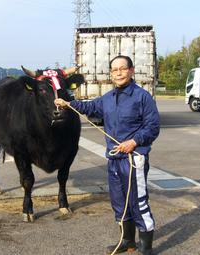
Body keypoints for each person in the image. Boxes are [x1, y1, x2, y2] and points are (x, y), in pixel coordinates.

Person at [54, 55, 160, 255]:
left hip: (133, 159)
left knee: (138, 202)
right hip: (113, 158)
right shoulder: (108, 98)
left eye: (122, 68)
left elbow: (153, 126)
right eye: (114, 70)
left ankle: (146, 247)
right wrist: (67, 102)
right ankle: (127, 240)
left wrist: (134, 141)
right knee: (119, 201)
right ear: (111, 74)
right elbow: (89, 107)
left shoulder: (142, 97)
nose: (118, 73)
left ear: (131, 71)